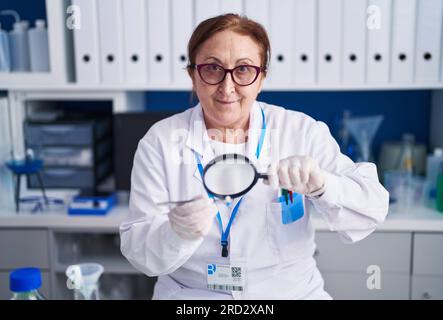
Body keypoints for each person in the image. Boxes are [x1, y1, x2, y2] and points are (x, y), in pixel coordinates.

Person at [120, 14, 389, 300]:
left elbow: (372, 209)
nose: (227, 87)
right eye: (212, 69)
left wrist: (323, 186)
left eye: (244, 70)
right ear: (192, 75)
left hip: (289, 294)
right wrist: (175, 233)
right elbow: (139, 254)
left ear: (261, 78)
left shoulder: (300, 131)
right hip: (194, 296)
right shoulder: (160, 142)